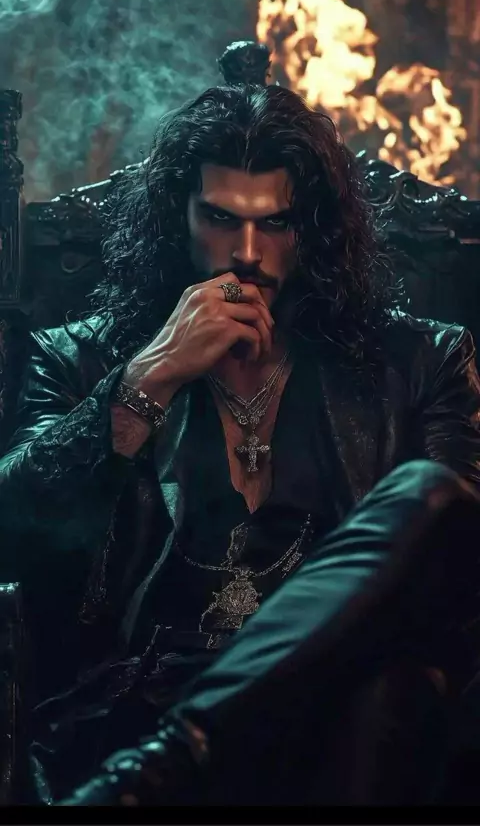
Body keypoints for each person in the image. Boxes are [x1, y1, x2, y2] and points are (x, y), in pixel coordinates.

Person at [1, 42, 480, 805]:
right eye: (221, 218)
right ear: (178, 217)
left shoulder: (422, 363)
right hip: (140, 704)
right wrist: (148, 378)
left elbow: (452, 576)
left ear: (312, 229)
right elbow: (14, 531)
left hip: (331, 713)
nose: (248, 254)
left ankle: (173, 762)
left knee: (429, 503)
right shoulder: (80, 358)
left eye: (276, 223)